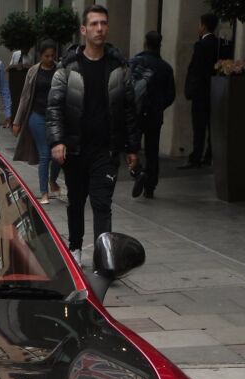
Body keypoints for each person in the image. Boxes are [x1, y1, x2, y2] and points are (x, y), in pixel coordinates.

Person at [48, 4, 139, 264]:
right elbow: (54, 108)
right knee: (76, 201)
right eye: (95, 24)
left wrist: (132, 148)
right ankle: (75, 247)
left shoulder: (119, 68)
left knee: (102, 203)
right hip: (75, 148)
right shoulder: (68, 67)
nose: (100, 29)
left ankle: (104, 256)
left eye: (104, 23)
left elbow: (130, 110)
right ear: (84, 29)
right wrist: (57, 141)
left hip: (105, 149)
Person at [12, 40, 63, 203]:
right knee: (45, 154)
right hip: (37, 116)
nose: (50, 58)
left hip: (56, 118)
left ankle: (52, 180)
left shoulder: (60, 70)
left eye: (52, 55)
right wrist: (17, 121)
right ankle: (44, 193)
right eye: (46, 55)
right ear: (40, 55)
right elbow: (25, 97)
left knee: (58, 156)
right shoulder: (33, 71)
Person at [129, 30, 175, 199]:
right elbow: (171, 95)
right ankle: (150, 186)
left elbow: (126, 88)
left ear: (145, 43)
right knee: (152, 150)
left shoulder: (135, 62)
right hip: (155, 115)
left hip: (136, 113)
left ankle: (138, 171)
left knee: (130, 146)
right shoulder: (166, 68)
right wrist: (159, 105)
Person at [181, 13, 218, 168]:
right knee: (212, 125)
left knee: (199, 126)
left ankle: (196, 156)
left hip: (201, 92)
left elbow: (196, 69)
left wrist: (190, 89)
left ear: (203, 26)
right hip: (214, 90)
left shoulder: (201, 45)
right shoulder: (219, 44)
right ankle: (209, 155)